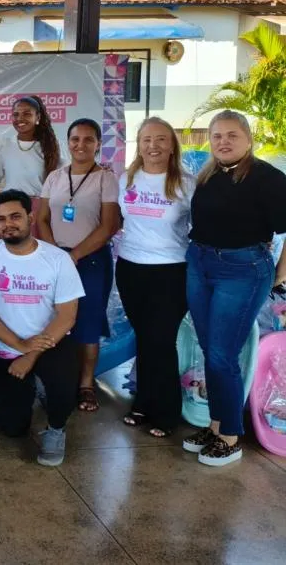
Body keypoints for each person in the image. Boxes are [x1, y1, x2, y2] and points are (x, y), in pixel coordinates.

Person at [183, 110, 286, 466]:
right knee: (210, 349)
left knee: (222, 354)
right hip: (200, 263)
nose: (223, 142)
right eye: (216, 136)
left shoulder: (268, 178)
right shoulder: (208, 174)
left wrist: (281, 274)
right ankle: (216, 426)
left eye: (231, 135)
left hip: (242, 270)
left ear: (248, 139)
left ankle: (230, 436)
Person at [0, 190, 85, 467]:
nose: (8, 224)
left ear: (31, 218)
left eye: (15, 216)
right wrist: (19, 346)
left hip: (51, 344)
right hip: (8, 349)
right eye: (1, 219)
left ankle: (56, 428)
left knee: (63, 385)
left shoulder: (57, 259)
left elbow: (67, 316)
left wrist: (29, 354)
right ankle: (34, 385)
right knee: (12, 428)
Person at [116, 117, 194, 439]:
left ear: (172, 145)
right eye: (147, 139)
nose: (153, 146)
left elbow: (204, 226)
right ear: (139, 144)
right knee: (145, 339)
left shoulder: (187, 184)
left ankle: (166, 413)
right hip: (131, 268)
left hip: (171, 272)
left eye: (161, 139)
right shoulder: (126, 178)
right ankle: (143, 404)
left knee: (161, 341)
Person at [36, 118, 119, 413]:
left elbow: (108, 225)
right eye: (75, 139)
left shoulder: (105, 179)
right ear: (68, 141)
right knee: (54, 318)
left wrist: (75, 255)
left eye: (88, 139)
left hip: (91, 261)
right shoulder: (55, 177)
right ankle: (57, 378)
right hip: (56, 259)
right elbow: (41, 219)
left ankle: (85, 385)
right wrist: (57, 254)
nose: (80, 145)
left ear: (98, 144)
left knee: (88, 321)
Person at [0, 95, 62, 199]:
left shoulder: (50, 147)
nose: (19, 118)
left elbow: (61, 185)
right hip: (10, 208)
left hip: (39, 209)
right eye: (15, 114)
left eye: (26, 114)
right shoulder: (4, 145)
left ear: (38, 117)